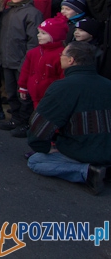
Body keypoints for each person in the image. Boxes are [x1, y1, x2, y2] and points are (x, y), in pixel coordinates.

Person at [27, 41, 111, 195]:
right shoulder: (107, 84)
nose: (60, 57)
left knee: (36, 161)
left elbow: (41, 124)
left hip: (81, 149)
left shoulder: (64, 87)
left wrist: (44, 147)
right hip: (107, 148)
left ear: (71, 60)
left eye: (62, 55)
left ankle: (87, 171)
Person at [0, 0, 42, 132]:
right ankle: (15, 119)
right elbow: (3, 36)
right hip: (7, 59)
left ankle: (26, 122)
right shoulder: (8, 11)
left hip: (22, 60)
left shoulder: (32, 13)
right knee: (10, 92)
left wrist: (26, 62)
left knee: (23, 94)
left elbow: (33, 41)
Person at [14, 15, 68, 138]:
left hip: (51, 97)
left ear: (55, 36)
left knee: (48, 122)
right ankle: (39, 144)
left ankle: (49, 144)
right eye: (39, 32)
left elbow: (63, 77)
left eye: (43, 33)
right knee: (37, 119)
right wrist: (23, 87)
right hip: (35, 95)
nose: (39, 35)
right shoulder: (34, 52)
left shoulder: (61, 55)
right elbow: (26, 71)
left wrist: (59, 94)